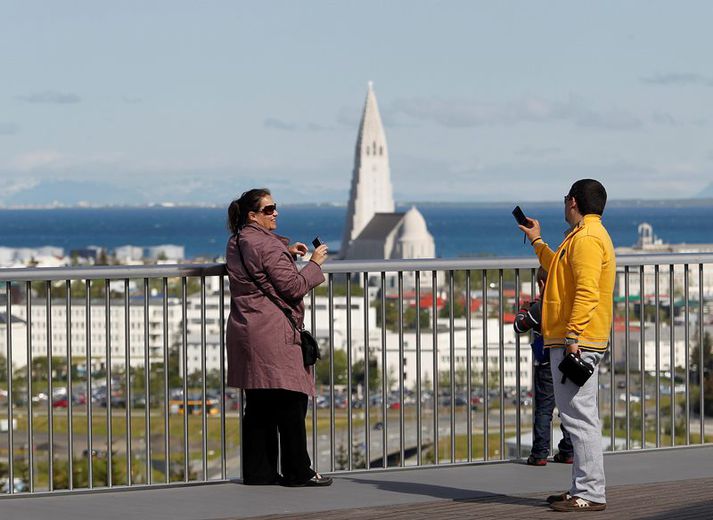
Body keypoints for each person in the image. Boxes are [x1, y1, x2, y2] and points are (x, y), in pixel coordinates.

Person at [517, 179, 615, 512]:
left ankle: (590, 493)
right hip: (577, 338)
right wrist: (537, 240)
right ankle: (581, 487)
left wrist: (572, 336)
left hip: (578, 340)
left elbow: (587, 292)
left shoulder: (586, 239)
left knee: (580, 418)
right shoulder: (582, 237)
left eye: (564, 200)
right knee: (576, 416)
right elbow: (558, 267)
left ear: (572, 202)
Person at [225, 188, 332, 487]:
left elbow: (259, 267)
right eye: (269, 209)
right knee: (291, 400)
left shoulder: (236, 241)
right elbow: (293, 287)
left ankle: (260, 472)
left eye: (275, 207)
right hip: (273, 332)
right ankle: (299, 471)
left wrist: (287, 252)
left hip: (246, 328)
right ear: (253, 215)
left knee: (259, 403)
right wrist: (314, 263)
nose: (276, 213)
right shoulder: (266, 246)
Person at [513, 267, 573, 466]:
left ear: (541, 284)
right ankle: (568, 450)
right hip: (568, 360)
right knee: (568, 406)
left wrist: (524, 309)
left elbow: (519, 326)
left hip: (546, 363)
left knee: (544, 410)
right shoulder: (569, 302)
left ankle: (539, 453)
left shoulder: (540, 306)